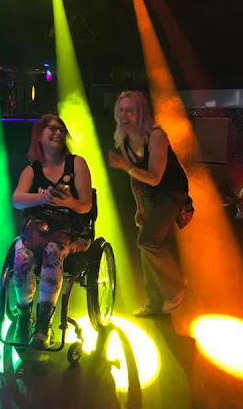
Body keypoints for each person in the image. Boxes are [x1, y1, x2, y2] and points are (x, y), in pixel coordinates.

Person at [11, 114, 93, 348]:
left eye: (60, 129)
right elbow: (17, 199)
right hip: (37, 232)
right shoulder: (32, 170)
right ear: (39, 136)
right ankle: (24, 317)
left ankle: (43, 324)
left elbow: (86, 205)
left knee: (52, 250)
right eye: (51, 129)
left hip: (70, 232)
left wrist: (66, 202)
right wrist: (43, 197)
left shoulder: (77, 163)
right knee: (21, 256)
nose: (57, 133)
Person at [107, 91, 191, 317]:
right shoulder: (123, 140)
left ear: (140, 112)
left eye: (129, 110)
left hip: (172, 192)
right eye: (121, 110)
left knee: (148, 241)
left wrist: (125, 166)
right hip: (151, 195)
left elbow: (154, 177)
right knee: (144, 246)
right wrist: (139, 207)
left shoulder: (156, 136)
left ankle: (176, 285)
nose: (124, 115)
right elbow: (136, 179)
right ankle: (155, 303)